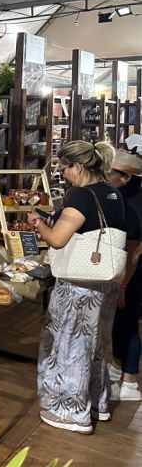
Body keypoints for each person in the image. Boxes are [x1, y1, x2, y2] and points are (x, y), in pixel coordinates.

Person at [33, 140, 125, 434]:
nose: (64, 173)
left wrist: (38, 224)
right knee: (97, 344)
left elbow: (57, 239)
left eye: (65, 167)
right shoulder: (111, 193)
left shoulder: (82, 196)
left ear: (79, 166)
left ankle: (72, 412)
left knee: (71, 344)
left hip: (79, 285)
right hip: (105, 282)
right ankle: (98, 402)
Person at [106, 149, 142, 401]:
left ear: (126, 177)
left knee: (127, 323)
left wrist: (123, 285)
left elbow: (134, 251)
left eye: (110, 172)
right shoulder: (129, 199)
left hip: (133, 274)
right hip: (130, 272)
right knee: (123, 321)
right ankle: (119, 368)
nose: (105, 176)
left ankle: (130, 382)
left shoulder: (132, 206)